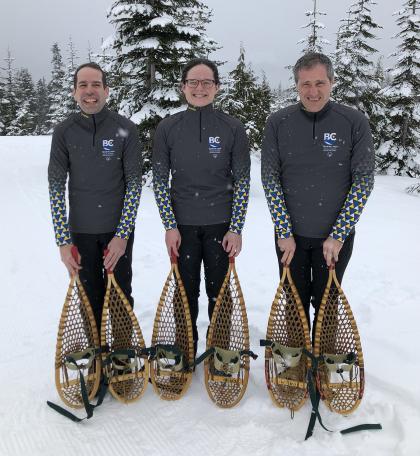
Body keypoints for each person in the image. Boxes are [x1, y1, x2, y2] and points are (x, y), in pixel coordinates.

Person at [261, 52, 374, 339]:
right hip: (291, 237)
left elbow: (363, 180)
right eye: (305, 84)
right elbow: (270, 178)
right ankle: (296, 356)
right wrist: (284, 231)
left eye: (320, 83)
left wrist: (338, 234)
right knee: (294, 301)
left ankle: (323, 356)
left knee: (327, 302)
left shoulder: (353, 121)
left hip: (334, 238)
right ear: (296, 85)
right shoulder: (278, 122)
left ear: (332, 82)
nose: (313, 91)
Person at [152, 58, 251, 355]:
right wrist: (169, 226)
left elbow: (242, 181)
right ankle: (185, 347)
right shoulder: (168, 127)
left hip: (220, 226)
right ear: (182, 87)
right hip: (182, 227)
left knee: (219, 292)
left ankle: (220, 349)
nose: (200, 88)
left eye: (207, 82)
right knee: (184, 291)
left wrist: (236, 228)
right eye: (193, 82)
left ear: (217, 87)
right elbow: (160, 180)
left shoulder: (232, 127)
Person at [48, 62, 142, 331]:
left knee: (120, 295)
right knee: (89, 298)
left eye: (96, 85)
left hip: (117, 232)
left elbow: (134, 185)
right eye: (83, 85)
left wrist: (122, 236)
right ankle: (96, 357)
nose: (90, 91)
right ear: (74, 92)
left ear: (106, 90)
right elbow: (56, 186)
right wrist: (63, 242)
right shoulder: (64, 132)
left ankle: (122, 357)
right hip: (81, 231)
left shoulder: (125, 129)